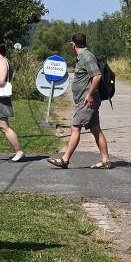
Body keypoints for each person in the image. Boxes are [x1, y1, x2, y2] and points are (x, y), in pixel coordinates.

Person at [47, 33, 111, 169]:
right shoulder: (83, 56)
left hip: (87, 100)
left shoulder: (86, 56)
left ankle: (65, 159)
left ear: (73, 45)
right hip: (87, 99)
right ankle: (105, 160)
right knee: (95, 129)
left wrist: (90, 94)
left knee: (75, 127)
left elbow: (97, 76)